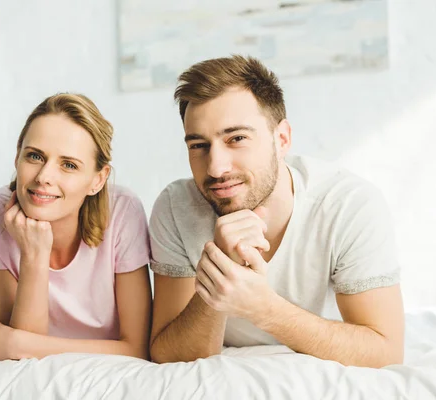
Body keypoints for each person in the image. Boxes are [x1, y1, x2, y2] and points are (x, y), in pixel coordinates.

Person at [148, 55, 404, 367]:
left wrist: (264, 309)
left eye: (237, 138)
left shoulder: (347, 204)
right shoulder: (176, 207)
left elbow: (385, 352)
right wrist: (222, 271)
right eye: (198, 145)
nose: (215, 168)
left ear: (281, 139)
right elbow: (168, 353)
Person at [0, 93, 152, 361]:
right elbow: (18, 353)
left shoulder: (122, 211)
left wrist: (20, 344)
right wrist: (34, 255)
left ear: (98, 180)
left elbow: (136, 348)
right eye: (35, 156)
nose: (44, 177)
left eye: (69, 165)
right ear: (17, 156)